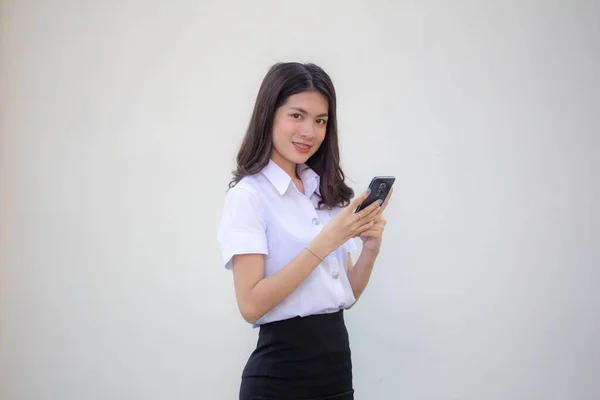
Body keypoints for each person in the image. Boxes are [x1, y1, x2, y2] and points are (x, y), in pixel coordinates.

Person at [217, 62, 393, 400]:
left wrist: (370, 248)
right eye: (296, 115)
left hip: (337, 375)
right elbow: (250, 305)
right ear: (269, 115)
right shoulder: (249, 197)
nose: (309, 132)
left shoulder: (322, 193)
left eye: (320, 120)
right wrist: (327, 241)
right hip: (281, 380)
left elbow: (345, 296)